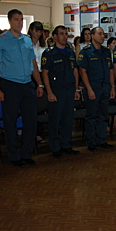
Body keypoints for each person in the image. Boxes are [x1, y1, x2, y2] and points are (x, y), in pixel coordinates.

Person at [0, 9, 44, 167]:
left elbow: (33, 64)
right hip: (9, 84)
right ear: (9, 21)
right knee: (10, 121)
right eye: (16, 20)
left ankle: (26, 154)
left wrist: (39, 83)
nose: (19, 23)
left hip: (27, 84)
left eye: (21, 20)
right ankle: (14, 156)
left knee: (30, 121)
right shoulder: (0, 40)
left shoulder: (27, 40)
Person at [41, 25, 81, 158]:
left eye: (66, 34)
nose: (65, 36)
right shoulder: (49, 53)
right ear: (55, 36)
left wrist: (76, 89)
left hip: (69, 89)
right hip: (56, 91)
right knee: (55, 120)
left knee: (68, 120)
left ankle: (66, 144)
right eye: (62, 34)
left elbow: (75, 71)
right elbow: (45, 74)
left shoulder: (70, 52)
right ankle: (55, 147)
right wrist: (49, 92)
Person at [77, 27, 116, 152]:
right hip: (93, 88)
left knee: (103, 115)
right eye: (99, 34)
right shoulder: (86, 52)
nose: (102, 36)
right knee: (91, 116)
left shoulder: (106, 52)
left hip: (105, 87)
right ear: (92, 36)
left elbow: (110, 70)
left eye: (103, 34)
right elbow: (82, 72)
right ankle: (91, 141)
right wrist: (89, 89)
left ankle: (101, 139)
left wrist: (112, 87)